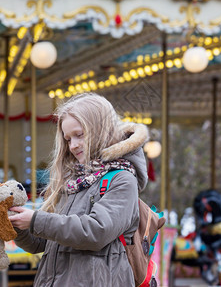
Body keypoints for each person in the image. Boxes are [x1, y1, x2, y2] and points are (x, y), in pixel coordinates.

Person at [9, 93, 149, 286]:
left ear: (100, 130)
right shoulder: (73, 181)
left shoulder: (122, 179)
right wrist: (15, 223)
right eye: (67, 139)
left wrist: (35, 220)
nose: (73, 145)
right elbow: (41, 242)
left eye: (79, 135)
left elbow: (96, 232)